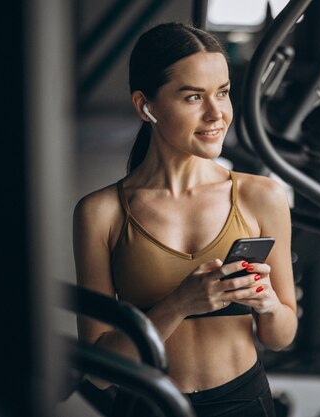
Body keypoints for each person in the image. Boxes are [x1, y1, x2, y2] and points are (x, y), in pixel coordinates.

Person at [73, 22, 297, 417]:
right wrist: (179, 304)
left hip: (242, 401)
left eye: (223, 93)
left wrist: (268, 305)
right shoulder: (101, 213)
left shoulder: (262, 196)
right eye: (194, 97)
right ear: (146, 105)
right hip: (148, 405)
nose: (217, 114)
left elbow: (281, 336)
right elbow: (100, 372)